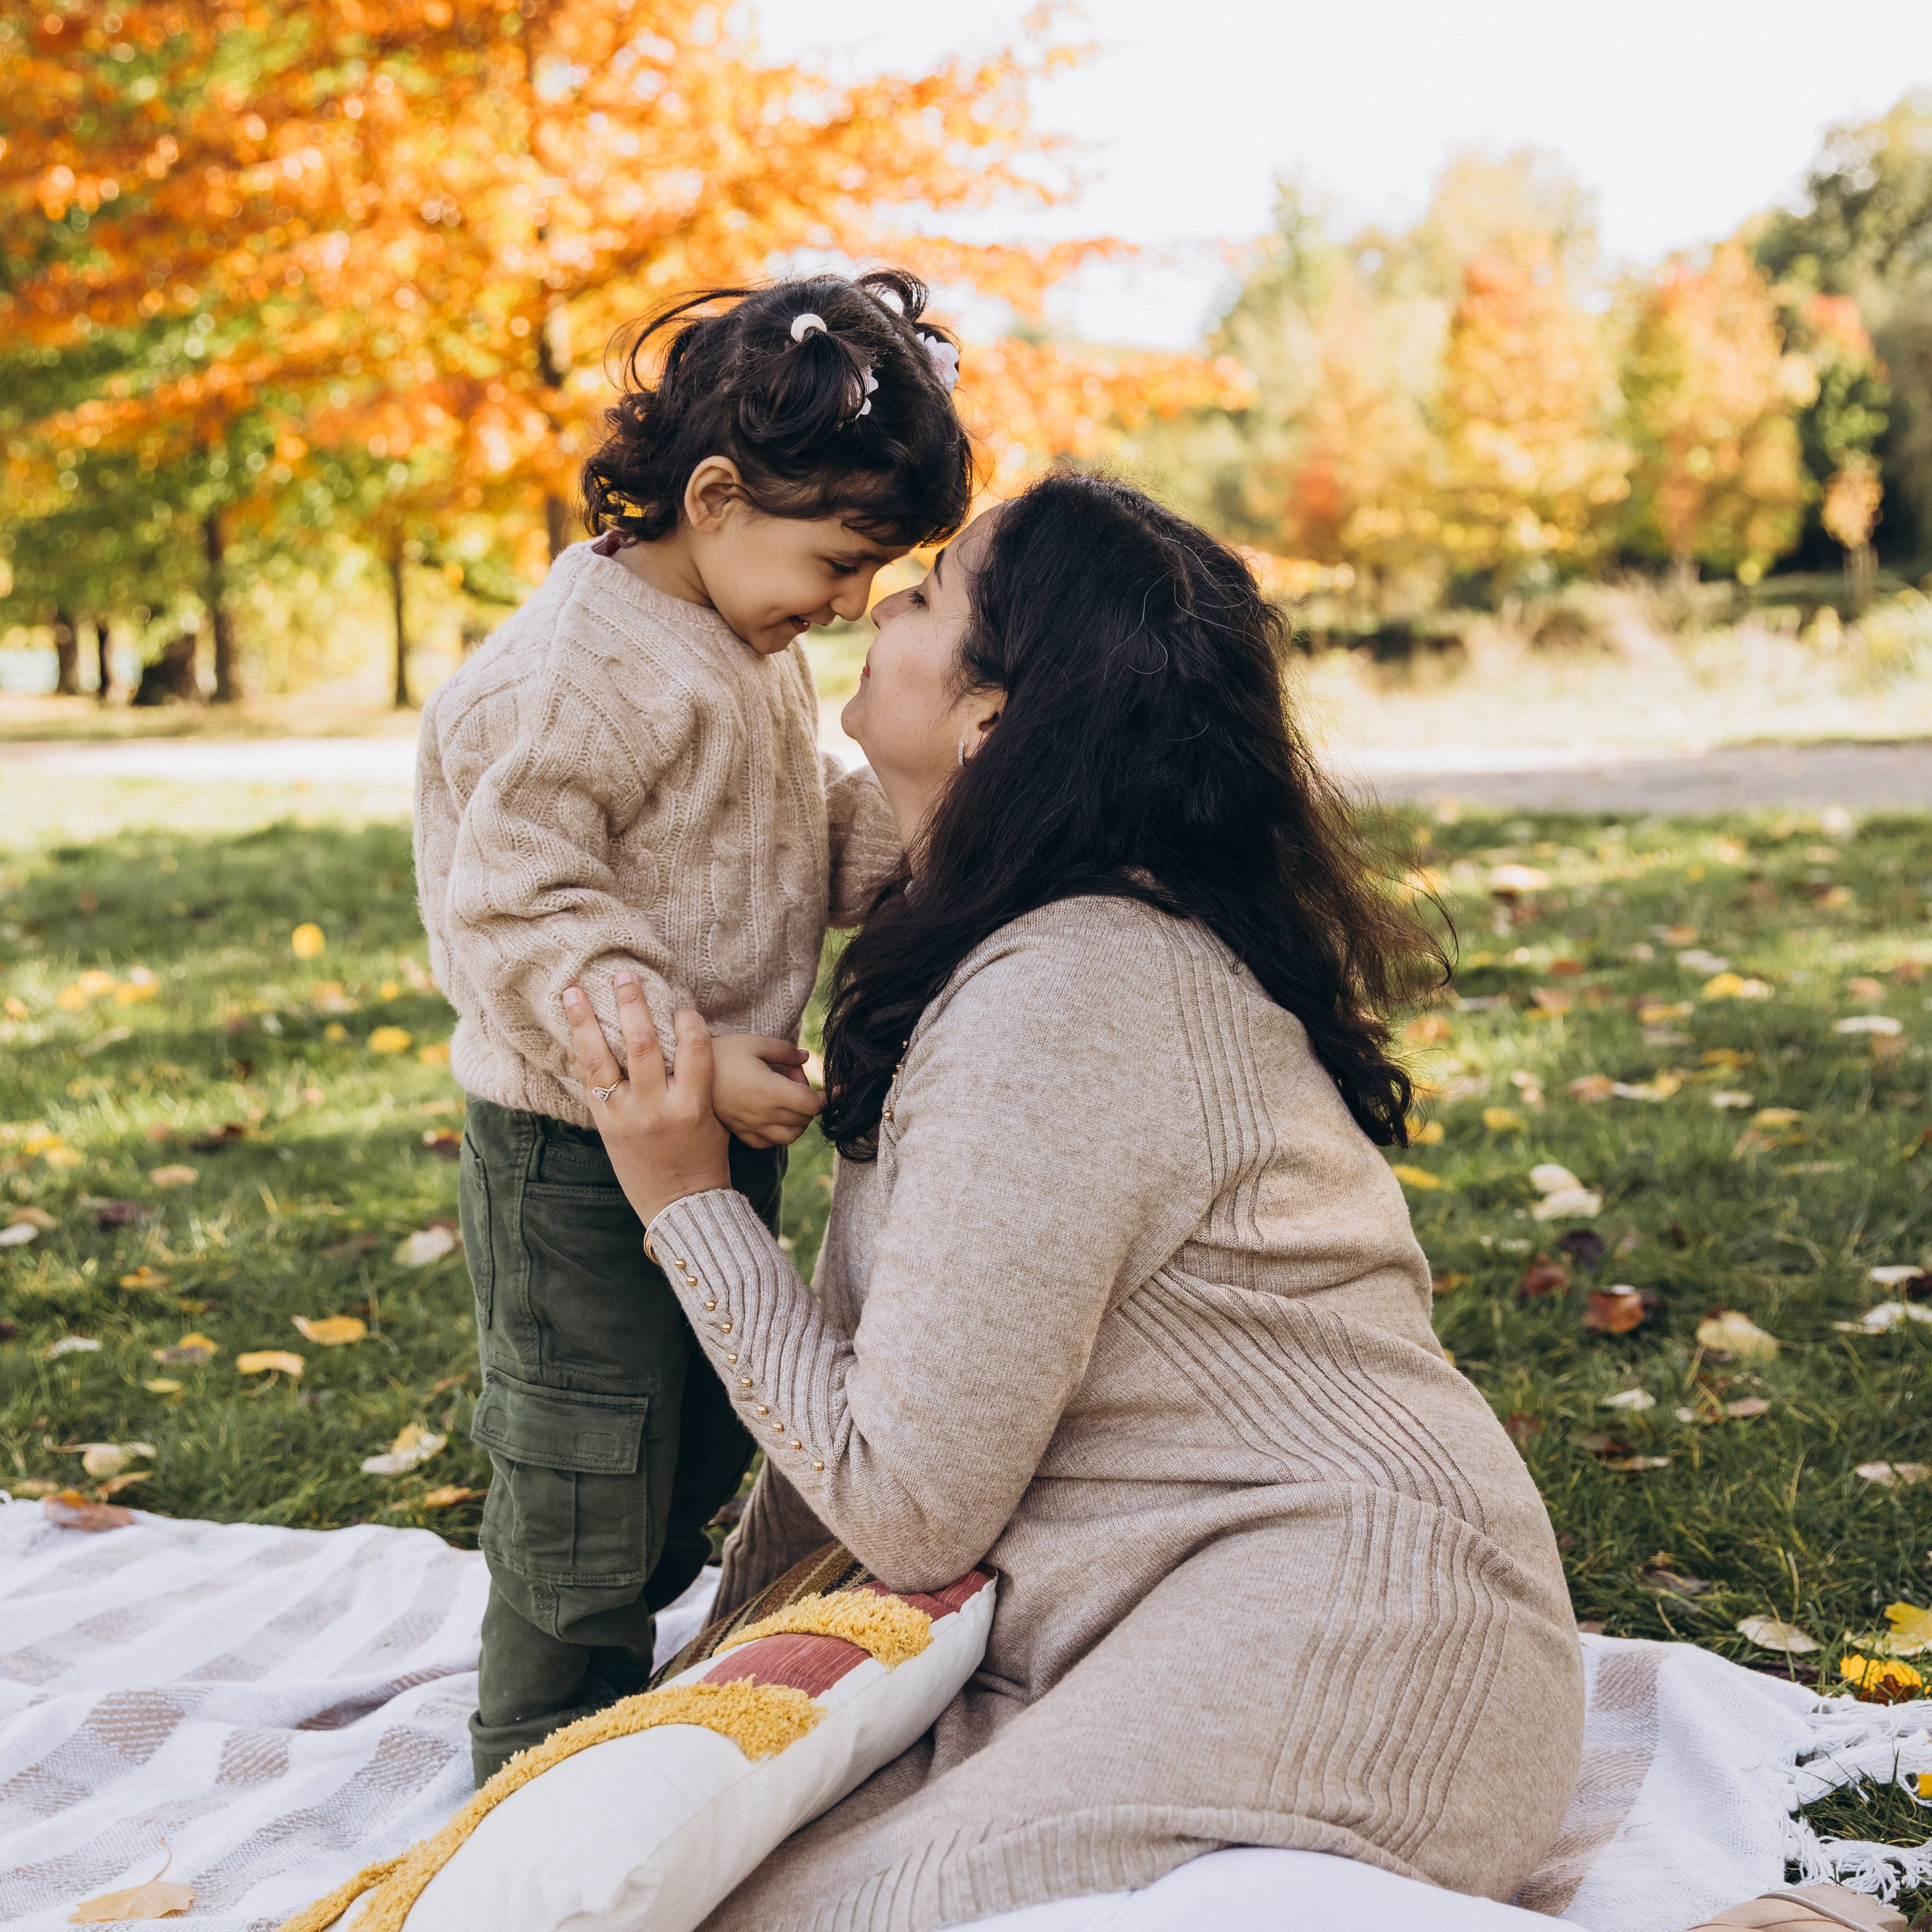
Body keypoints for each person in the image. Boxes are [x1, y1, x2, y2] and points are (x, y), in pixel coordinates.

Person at [558, 470, 1592, 1928]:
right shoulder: (1014, 942)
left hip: (1355, 1632)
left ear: (990, 722)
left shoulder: (1072, 989)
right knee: (650, 1879)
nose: (879, 599)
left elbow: (908, 1505)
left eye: (929, 594)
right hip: (1113, 1620)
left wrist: (684, 1199)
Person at [413, 269, 972, 1784]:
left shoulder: (742, 639)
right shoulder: (573, 671)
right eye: (837, 561)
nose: (850, 603)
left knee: (697, 1441)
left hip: (703, 1128)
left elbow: (783, 843)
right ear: (713, 494)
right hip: (575, 1144)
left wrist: (932, 836)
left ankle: (620, 1656)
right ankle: (530, 1756)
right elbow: (521, 907)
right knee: (585, 1459)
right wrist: (689, 1056)